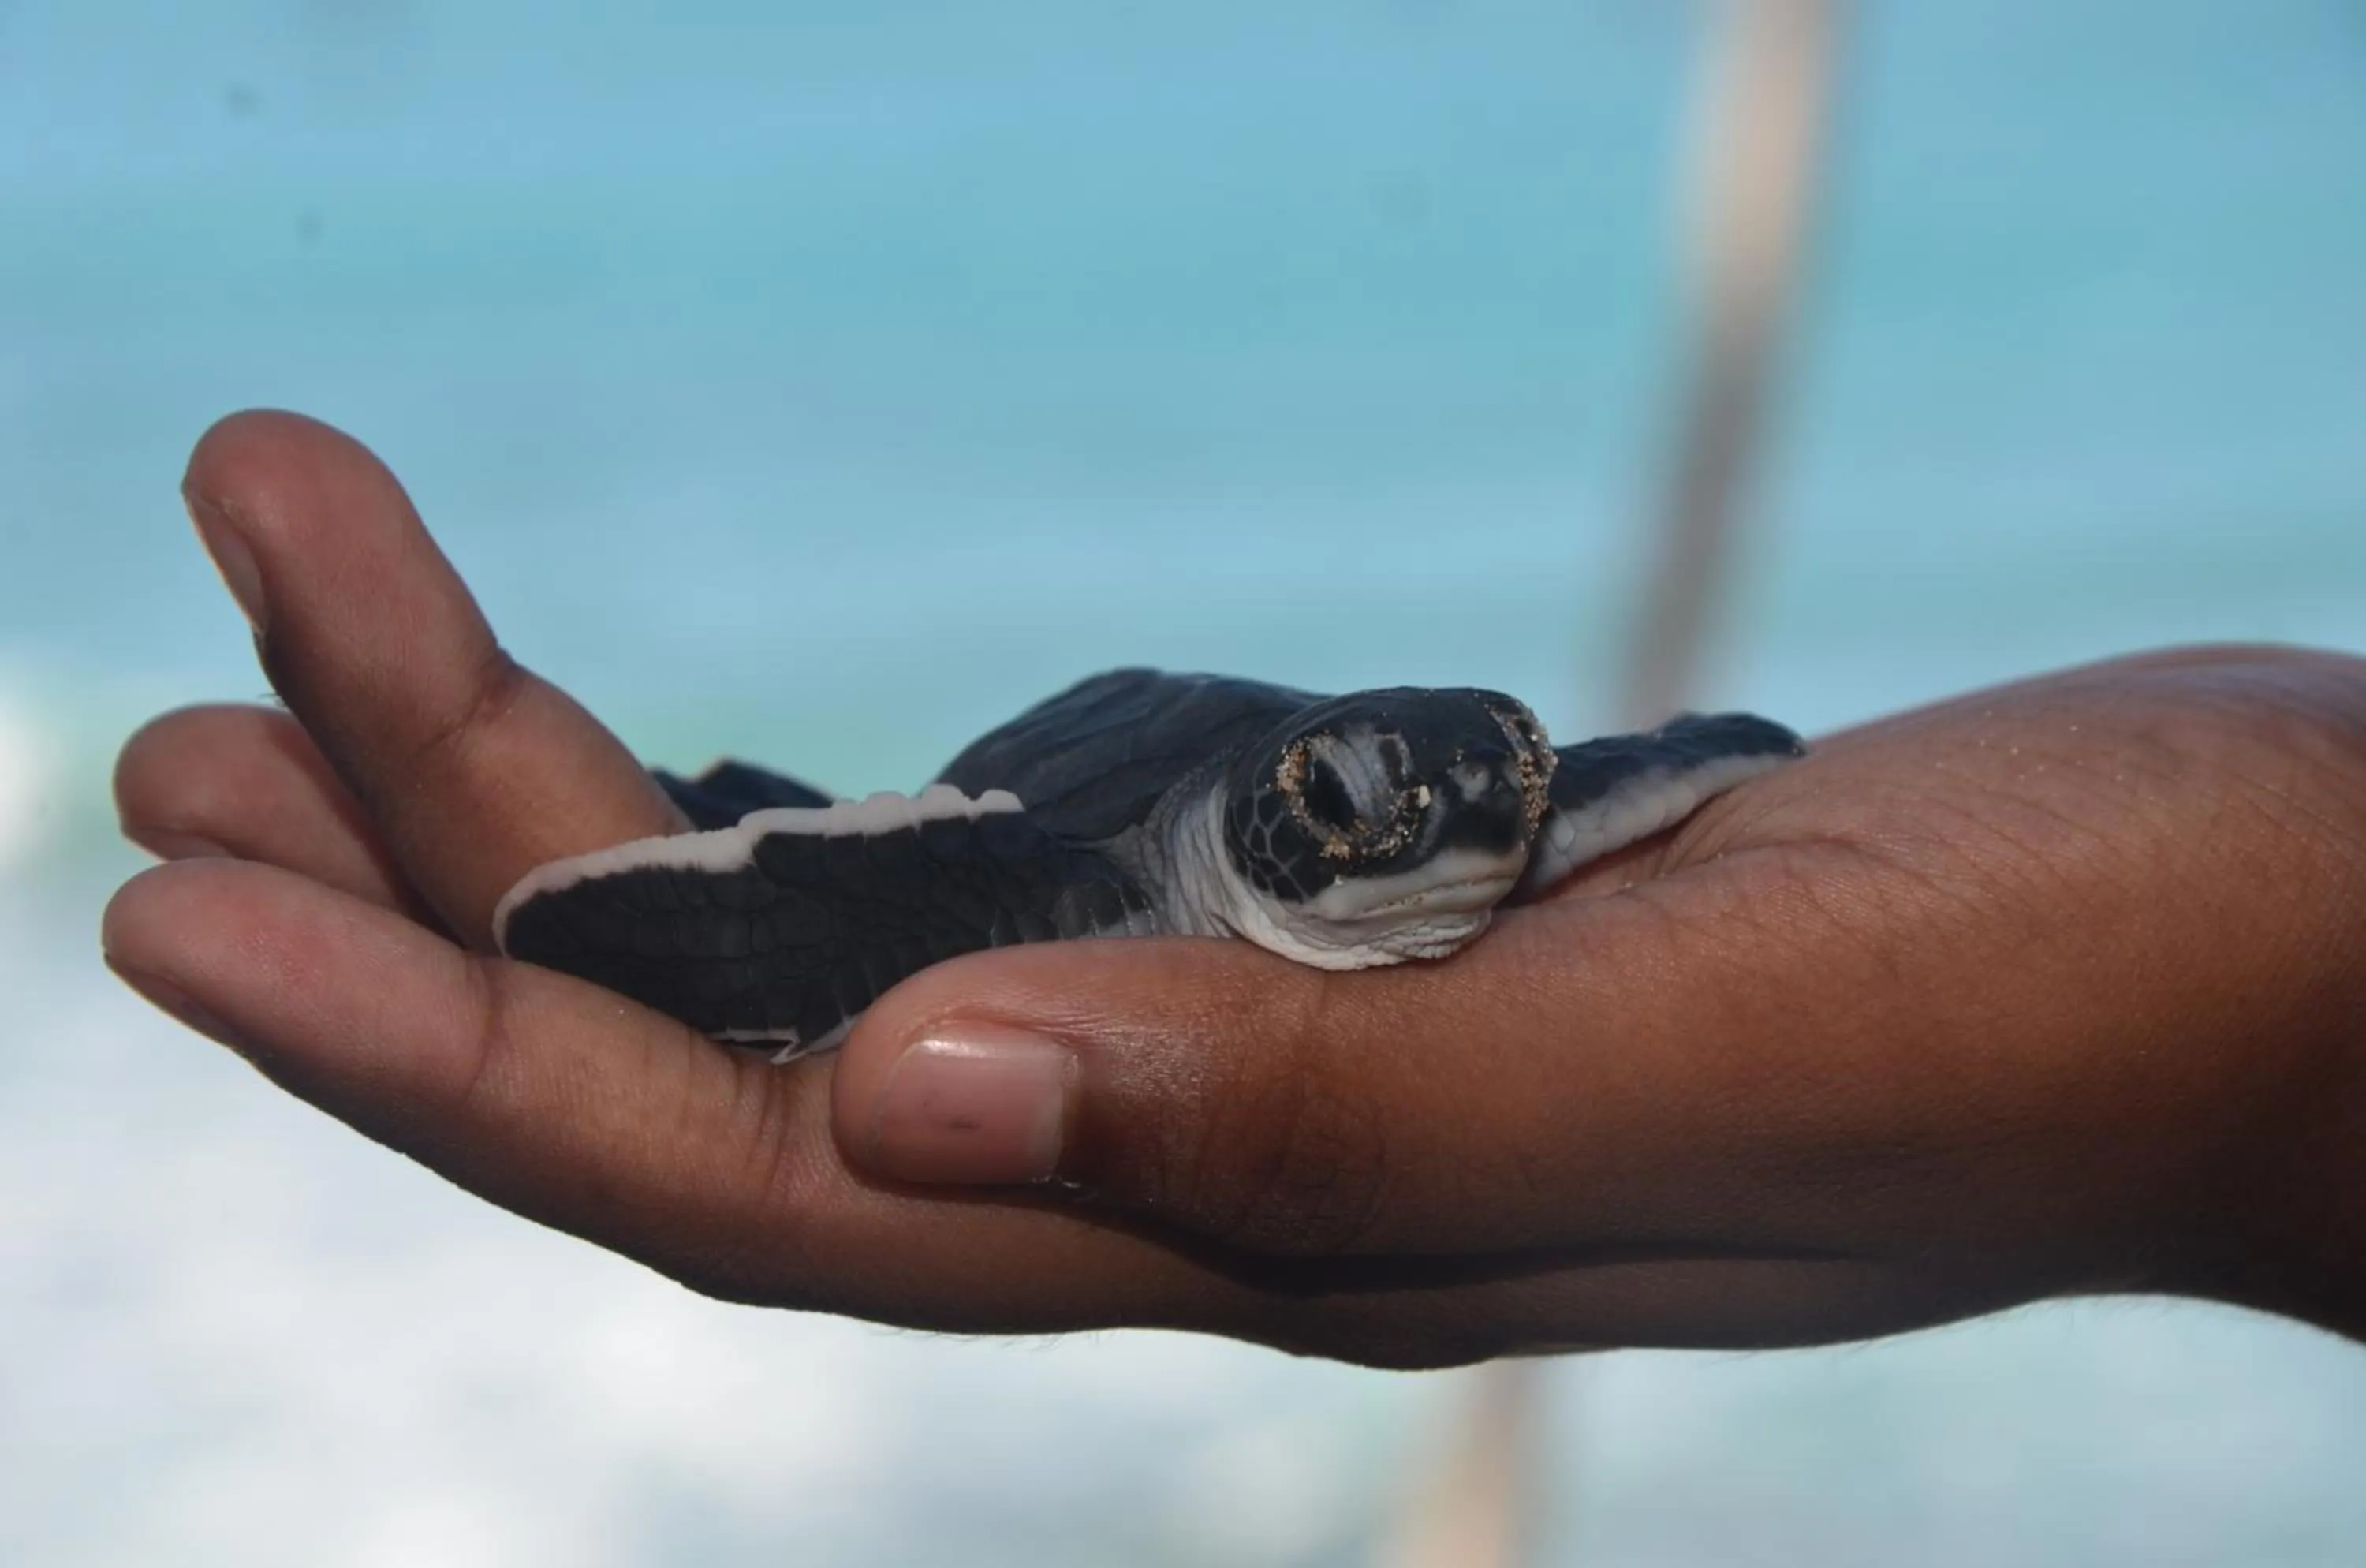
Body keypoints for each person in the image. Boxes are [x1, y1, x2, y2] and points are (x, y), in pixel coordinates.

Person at [103, 411, 2366, 1366]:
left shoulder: (1512, 833)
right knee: (787, 914)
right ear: (1288, 820)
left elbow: (1686, 776)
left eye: (1492, 790)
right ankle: (728, 803)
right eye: (1386, 795)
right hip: (1068, 793)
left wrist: (2269, 944)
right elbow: (891, 895)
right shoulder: (1122, 881)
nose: (1464, 824)